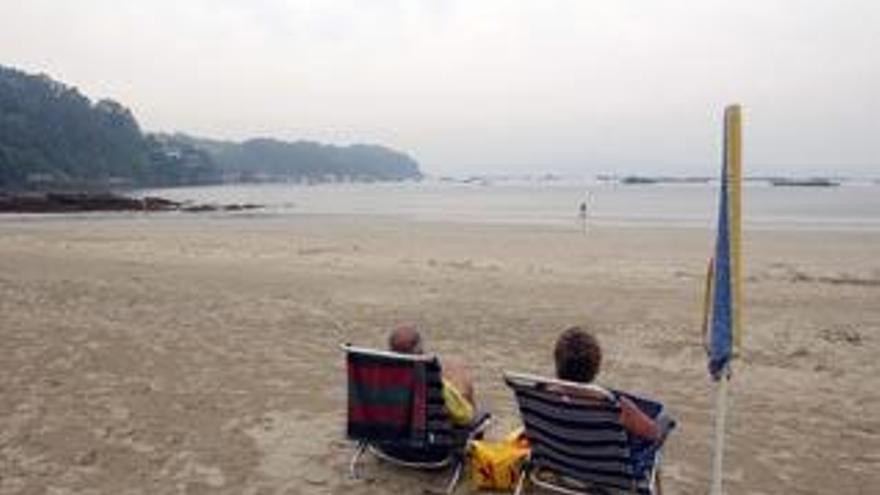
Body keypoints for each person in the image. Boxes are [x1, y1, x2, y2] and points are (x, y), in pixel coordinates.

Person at [552, 326, 662, 441]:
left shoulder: (540, 397)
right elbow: (653, 433)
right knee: (662, 421)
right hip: (600, 457)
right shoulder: (615, 405)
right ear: (596, 369)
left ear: (557, 364)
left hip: (555, 456)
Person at [389, 324, 476, 427]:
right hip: (427, 438)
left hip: (383, 434)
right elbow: (464, 417)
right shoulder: (430, 378)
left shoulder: (376, 379)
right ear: (419, 350)